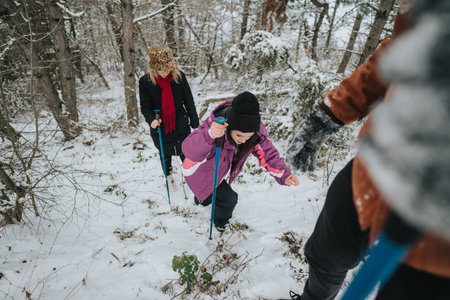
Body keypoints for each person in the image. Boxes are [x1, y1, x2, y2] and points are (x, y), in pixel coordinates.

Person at [285, 1, 450, 299]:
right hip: (377, 165)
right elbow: (386, 65)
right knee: (328, 253)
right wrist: (325, 117)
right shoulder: (422, 22)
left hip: (440, 227)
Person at [181, 91, 299, 232]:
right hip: (197, 170)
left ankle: (201, 199)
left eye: (248, 136)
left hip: (214, 171)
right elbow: (189, 150)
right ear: (230, 126)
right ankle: (221, 224)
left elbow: (269, 155)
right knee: (229, 199)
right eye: (239, 135)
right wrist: (210, 135)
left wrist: (284, 175)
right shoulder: (216, 127)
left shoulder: (254, 135)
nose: (243, 140)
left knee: (208, 196)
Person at [139, 45, 199, 186]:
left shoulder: (179, 77)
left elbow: (189, 101)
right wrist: (151, 120)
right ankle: (169, 179)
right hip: (160, 125)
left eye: (168, 69)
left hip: (181, 124)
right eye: (162, 69)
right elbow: (145, 107)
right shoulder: (145, 82)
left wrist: (195, 124)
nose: (166, 72)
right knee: (165, 154)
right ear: (154, 68)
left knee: (186, 152)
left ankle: (190, 178)